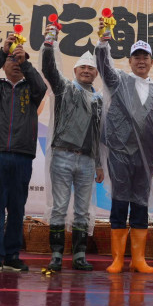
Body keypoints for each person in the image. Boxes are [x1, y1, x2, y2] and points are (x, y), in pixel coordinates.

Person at [96, 37, 153, 275]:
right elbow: (104, 67)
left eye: (145, 57)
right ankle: (117, 259)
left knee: (140, 205)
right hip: (119, 154)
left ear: (152, 62)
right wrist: (103, 44)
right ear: (129, 61)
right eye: (136, 57)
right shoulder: (119, 81)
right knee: (119, 203)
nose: (141, 61)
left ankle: (138, 259)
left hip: (145, 158)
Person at [0, 32, 47, 273]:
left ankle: (12, 255)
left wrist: (25, 61)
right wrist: (3, 51)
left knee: (17, 207)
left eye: (20, 61)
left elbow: (41, 84)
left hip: (22, 155)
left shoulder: (32, 90)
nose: (16, 64)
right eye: (12, 60)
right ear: (4, 65)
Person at [40, 36, 103, 272]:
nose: (86, 71)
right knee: (59, 207)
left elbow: (98, 135)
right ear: (75, 70)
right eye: (83, 67)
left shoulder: (98, 100)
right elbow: (49, 69)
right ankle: (56, 254)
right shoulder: (64, 88)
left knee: (82, 210)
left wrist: (99, 164)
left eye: (91, 68)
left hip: (87, 160)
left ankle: (79, 255)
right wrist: (48, 45)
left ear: (96, 73)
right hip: (62, 156)